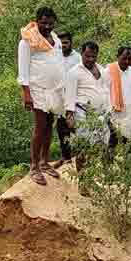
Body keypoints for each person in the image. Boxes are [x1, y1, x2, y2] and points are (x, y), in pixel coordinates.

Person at [18, 6, 66, 185]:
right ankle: (34, 166)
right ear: (37, 21)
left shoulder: (55, 39)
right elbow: (23, 69)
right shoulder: (27, 41)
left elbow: (58, 62)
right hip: (38, 89)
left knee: (49, 125)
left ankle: (44, 162)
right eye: (44, 22)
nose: (47, 26)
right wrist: (26, 94)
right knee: (40, 126)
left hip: (55, 89)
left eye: (50, 23)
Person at [63, 41, 110, 176]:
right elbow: (69, 94)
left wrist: (109, 112)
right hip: (82, 114)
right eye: (87, 56)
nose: (90, 59)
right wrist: (69, 116)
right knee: (83, 147)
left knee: (101, 144)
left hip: (100, 115)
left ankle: (92, 175)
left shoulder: (102, 70)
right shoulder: (74, 72)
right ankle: (83, 181)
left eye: (93, 56)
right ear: (82, 54)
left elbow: (106, 91)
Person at [106, 46, 131, 145]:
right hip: (113, 113)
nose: (126, 62)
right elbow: (104, 93)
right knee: (112, 141)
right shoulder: (108, 71)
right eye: (124, 58)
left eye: (129, 59)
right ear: (117, 56)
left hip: (129, 114)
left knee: (127, 142)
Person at [55, 32, 79, 164]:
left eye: (65, 43)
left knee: (76, 127)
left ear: (71, 43)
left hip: (74, 97)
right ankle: (66, 157)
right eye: (61, 43)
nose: (63, 46)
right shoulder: (55, 55)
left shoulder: (77, 58)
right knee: (61, 128)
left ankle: (81, 155)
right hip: (60, 97)